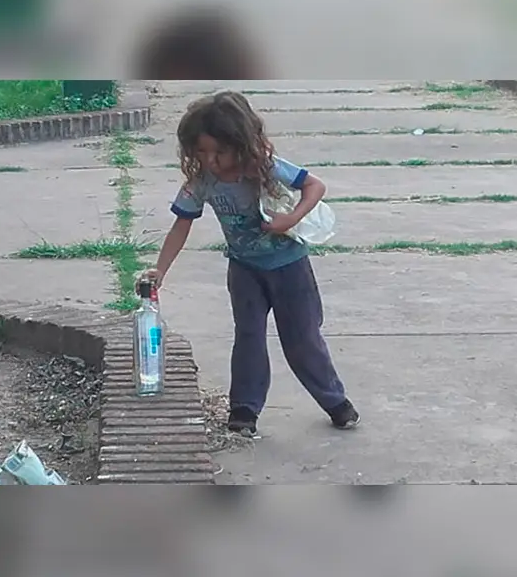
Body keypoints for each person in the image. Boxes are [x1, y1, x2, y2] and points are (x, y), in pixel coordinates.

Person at [144, 90, 360, 437]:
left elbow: (314, 186)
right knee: (248, 337)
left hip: (290, 268)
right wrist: (161, 270)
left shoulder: (265, 168)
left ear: (240, 144)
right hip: (244, 270)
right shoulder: (201, 183)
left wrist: (290, 219)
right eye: (201, 152)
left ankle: (335, 401)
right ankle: (244, 409)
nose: (210, 160)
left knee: (302, 338)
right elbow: (181, 225)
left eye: (219, 152)